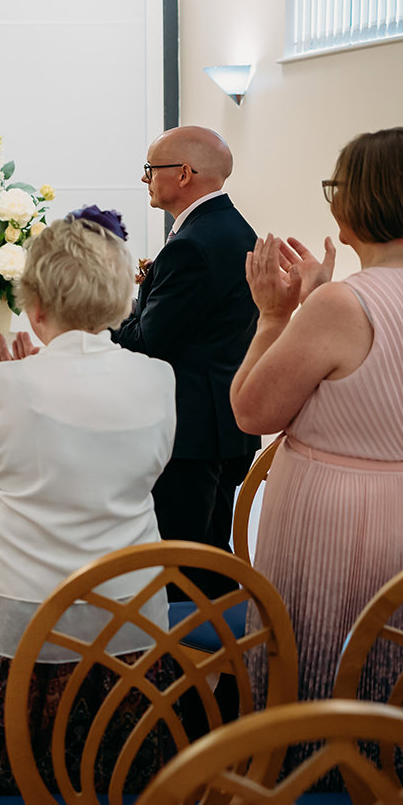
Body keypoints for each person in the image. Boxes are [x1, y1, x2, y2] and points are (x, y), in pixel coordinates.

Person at [0, 209, 177, 804]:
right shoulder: (159, 377)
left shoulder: (9, 383)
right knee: (109, 776)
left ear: (34, 305)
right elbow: (147, 471)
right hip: (127, 612)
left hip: (16, 615)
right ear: (119, 299)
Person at [232, 127, 403, 715]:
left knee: (325, 681)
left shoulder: (341, 304)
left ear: (364, 198)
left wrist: (273, 314)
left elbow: (251, 411)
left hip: (343, 525)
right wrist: (313, 304)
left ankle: (314, 798)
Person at [112, 126, 260, 598]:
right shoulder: (234, 229)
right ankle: (224, 664)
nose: (145, 179)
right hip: (223, 421)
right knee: (209, 558)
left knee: (180, 566)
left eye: (150, 169)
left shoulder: (193, 244)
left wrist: (102, 320)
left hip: (190, 431)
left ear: (184, 173)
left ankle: (179, 669)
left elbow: (149, 341)